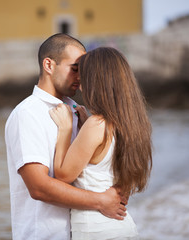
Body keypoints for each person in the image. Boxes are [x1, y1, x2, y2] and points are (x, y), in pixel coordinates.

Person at [5, 34, 128, 240]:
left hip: (87, 232)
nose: (80, 77)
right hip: (45, 235)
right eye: (74, 69)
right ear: (49, 65)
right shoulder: (27, 114)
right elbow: (39, 188)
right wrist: (101, 201)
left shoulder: (78, 111)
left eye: (83, 71)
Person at [49, 47, 153, 239]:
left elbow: (63, 176)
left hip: (97, 230)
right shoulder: (131, 124)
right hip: (122, 227)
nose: (80, 86)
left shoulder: (96, 125)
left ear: (98, 83)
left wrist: (65, 130)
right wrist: (83, 126)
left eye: (84, 79)